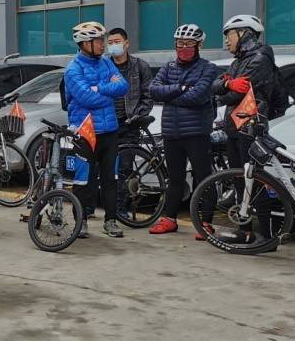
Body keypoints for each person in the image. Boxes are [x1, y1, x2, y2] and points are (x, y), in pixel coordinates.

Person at [213, 14, 281, 248]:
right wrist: (225, 84)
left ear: (244, 34)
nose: (226, 40)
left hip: (251, 126)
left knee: (255, 181)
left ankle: (267, 236)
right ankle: (245, 231)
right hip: (234, 126)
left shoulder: (261, 58)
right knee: (240, 181)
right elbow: (217, 86)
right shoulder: (238, 61)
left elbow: (233, 95)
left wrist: (225, 88)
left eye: (229, 35)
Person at [147, 24, 219, 235]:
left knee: (203, 177)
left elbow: (198, 96)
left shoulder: (208, 68)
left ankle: (206, 222)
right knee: (175, 178)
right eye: (180, 43)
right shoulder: (168, 67)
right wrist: (180, 88)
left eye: (189, 43)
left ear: (199, 45)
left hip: (197, 132)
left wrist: (169, 96)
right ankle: (170, 218)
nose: (184, 47)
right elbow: (153, 90)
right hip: (172, 132)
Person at [64, 21, 129, 238]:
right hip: (86, 132)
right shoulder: (73, 69)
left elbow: (123, 86)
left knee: (111, 178)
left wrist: (98, 88)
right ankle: (80, 221)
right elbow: (86, 98)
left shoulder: (106, 63)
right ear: (85, 43)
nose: (103, 45)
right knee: (84, 180)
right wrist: (107, 94)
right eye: (99, 41)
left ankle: (111, 221)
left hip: (110, 130)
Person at [105, 27, 153, 130]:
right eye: (110, 43)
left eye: (117, 42)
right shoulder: (103, 67)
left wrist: (138, 117)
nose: (113, 45)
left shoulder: (140, 66)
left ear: (126, 43)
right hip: (108, 122)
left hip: (131, 122)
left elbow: (148, 95)